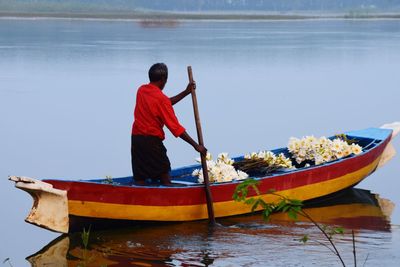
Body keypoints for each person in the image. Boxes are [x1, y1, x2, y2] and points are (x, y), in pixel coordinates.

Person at [131, 63, 207, 185]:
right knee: (164, 172)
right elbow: (175, 128)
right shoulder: (161, 99)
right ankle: (169, 195)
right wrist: (196, 145)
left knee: (140, 175)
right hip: (152, 142)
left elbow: (163, 103)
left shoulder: (142, 90)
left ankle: (138, 196)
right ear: (163, 80)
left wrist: (186, 92)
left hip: (136, 139)